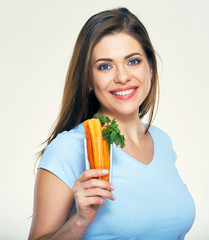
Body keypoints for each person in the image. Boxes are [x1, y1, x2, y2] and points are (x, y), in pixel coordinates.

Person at [28, 7, 195, 240]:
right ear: (88, 79)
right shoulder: (67, 148)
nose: (122, 77)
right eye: (105, 66)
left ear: (151, 68)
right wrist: (79, 221)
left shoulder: (162, 141)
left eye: (133, 61)